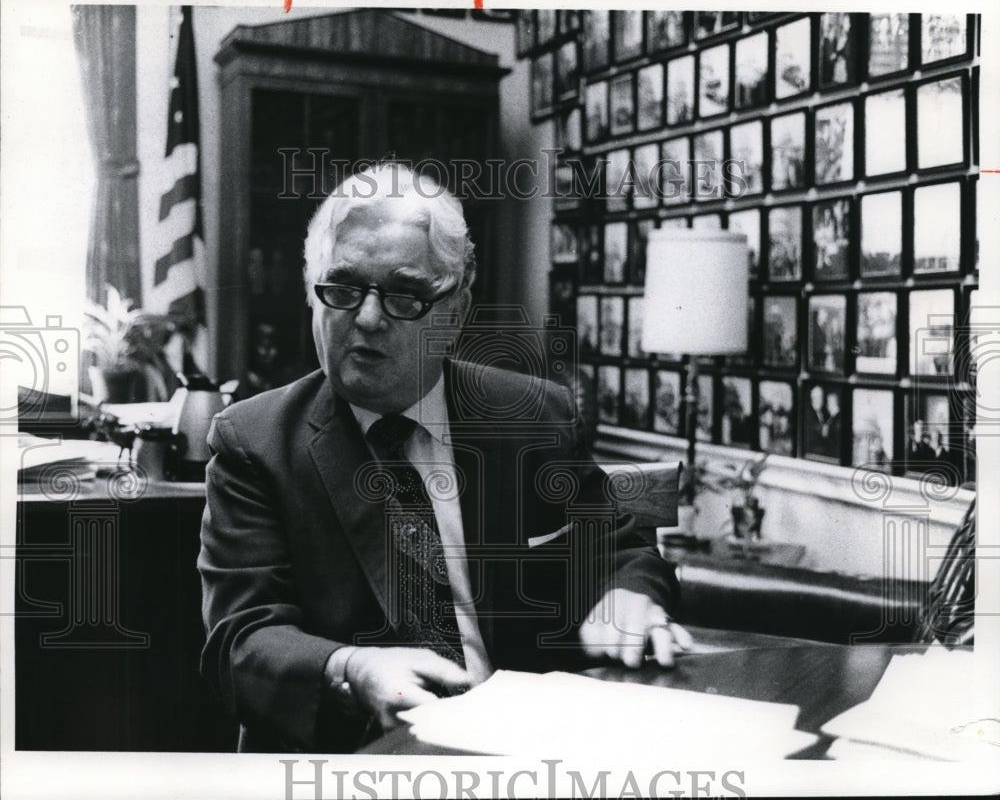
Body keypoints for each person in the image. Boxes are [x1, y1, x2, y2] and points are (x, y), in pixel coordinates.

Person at [198, 164, 687, 753]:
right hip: (358, 760)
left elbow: (620, 549)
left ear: (455, 310)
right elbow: (242, 640)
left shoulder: (533, 415)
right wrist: (349, 668)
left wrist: (625, 593)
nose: (369, 318)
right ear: (312, 293)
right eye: (344, 287)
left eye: (404, 294)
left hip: (532, 747)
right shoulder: (254, 443)